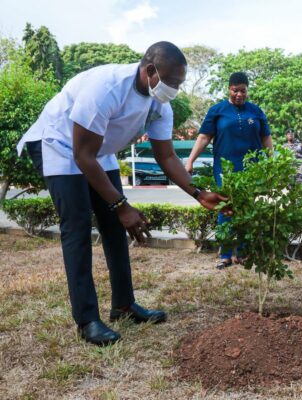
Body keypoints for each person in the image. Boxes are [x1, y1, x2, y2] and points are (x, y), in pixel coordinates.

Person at [16, 42, 228, 346]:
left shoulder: (160, 105)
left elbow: (166, 157)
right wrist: (121, 204)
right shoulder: (106, 88)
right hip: (60, 145)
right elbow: (81, 156)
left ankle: (124, 306)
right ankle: (87, 319)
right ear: (150, 70)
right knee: (77, 228)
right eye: (172, 82)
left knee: (115, 226)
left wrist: (197, 193)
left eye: (179, 83)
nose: (175, 89)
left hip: (96, 151)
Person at [185, 72, 273, 268]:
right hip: (225, 170)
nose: (239, 94)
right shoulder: (218, 110)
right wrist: (190, 160)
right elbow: (204, 137)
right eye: (235, 90)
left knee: (246, 209)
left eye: (243, 90)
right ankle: (225, 254)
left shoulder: (256, 111)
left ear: (248, 90)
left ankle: (242, 253)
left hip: (252, 170)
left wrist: (271, 163)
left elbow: (266, 138)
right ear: (229, 89)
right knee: (224, 208)